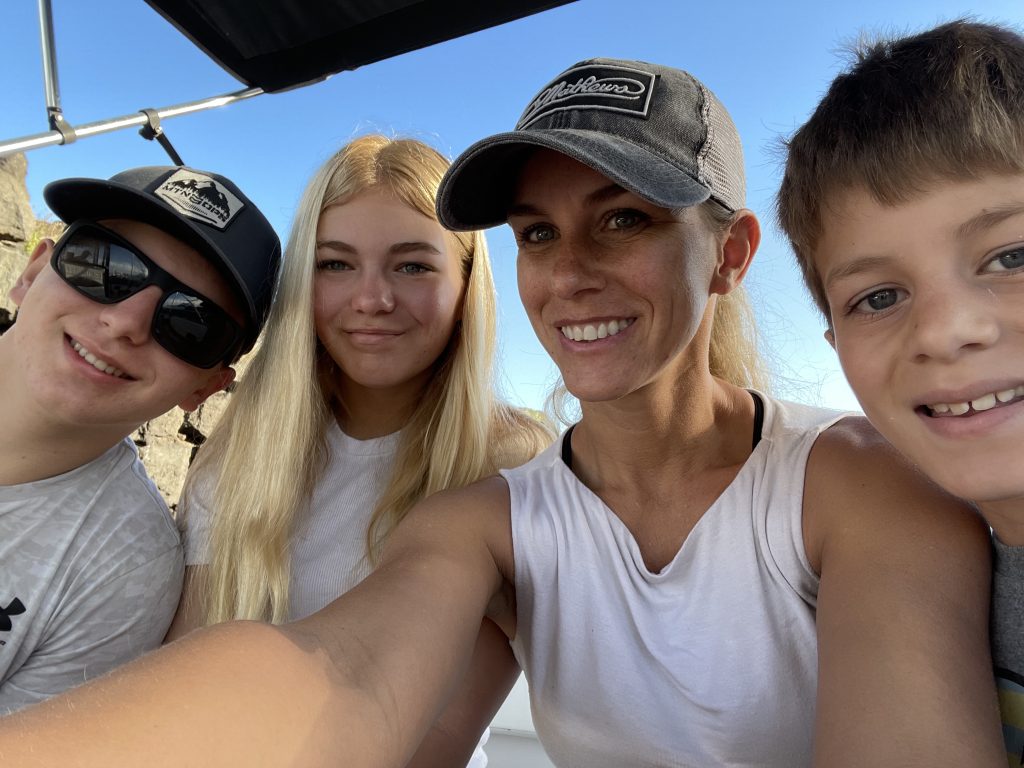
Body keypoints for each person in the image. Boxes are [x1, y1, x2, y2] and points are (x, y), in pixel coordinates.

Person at [0, 59, 1003, 767]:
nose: (570, 274)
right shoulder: (491, 518)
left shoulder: (852, 482)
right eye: (536, 233)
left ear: (732, 255)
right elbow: (341, 676)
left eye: (623, 220)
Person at [163, 135, 553, 766]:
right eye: (335, 264)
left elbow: (433, 744)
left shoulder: (512, 464)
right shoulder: (244, 448)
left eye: (414, 265)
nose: (372, 300)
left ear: (467, 287)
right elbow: (182, 669)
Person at [776, 19, 1024, 764]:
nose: (945, 332)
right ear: (836, 347)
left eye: (1012, 254)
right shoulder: (937, 567)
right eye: (879, 298)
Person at [0, 165, 280, 713]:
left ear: (206, 386)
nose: (127, 321)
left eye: (191, 322)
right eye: (105, 266)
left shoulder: (126, 569)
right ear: (33, 272)